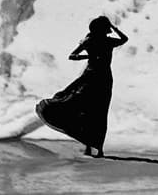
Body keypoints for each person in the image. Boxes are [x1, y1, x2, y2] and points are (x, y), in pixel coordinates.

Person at [35, 15, 128, 158]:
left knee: (91, 111)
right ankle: (95, 148)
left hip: (95, 78)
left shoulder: (92, 41)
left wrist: (88, 57)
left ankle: (92, 147)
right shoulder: (104, 41)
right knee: (97, 112)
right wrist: (89, 57)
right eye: (107, 27)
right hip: (98, 79)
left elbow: (72, 55)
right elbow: (124, 39)